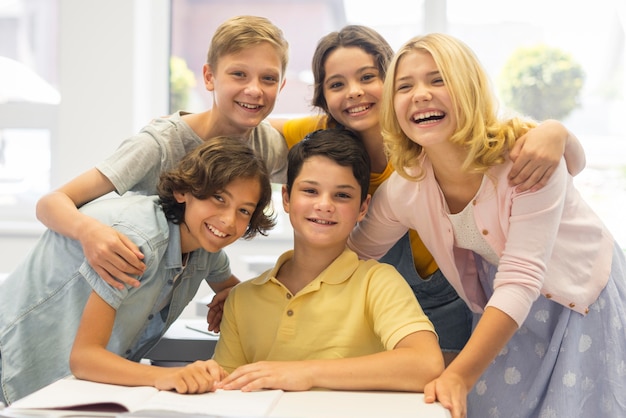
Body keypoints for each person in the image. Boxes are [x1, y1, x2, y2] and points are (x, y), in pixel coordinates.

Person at [269, 25, 586, 365]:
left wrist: (559, 132)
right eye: (336, 84)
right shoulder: (323, 135)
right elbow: (251, 127)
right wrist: (262, 292)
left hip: (452, 289)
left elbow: (552, 160)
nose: (354, 92)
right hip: (375, 291)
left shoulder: (434, 138)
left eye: (368, 77)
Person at [347, 33, 626, 418]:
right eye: (405, 86)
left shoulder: (524, 158)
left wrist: (458, 376)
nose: (421, 94)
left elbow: (523, 274)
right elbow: (355, 255)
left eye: (438, 79)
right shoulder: (406, 187)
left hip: (580, 295)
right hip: (506, 307)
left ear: (470, 87)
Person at [0, 136, 276, 405]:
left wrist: (234, 298)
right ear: (183, 192)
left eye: (244, 211)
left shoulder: (204, 248)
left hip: (64, 388)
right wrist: (170, 375)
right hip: (16, 370)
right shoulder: (138, 242)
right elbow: (84, 359)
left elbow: (233, 289)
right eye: (219, 198)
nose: (228, 221)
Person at [35, 15, 289, 292]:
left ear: (281, 86)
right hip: (92, 283)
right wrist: (90, 232)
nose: (254, 90)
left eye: (268, 79)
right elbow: (51, 203)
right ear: (209, 76)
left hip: (154, 298)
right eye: (239, 74)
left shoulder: (267, 145)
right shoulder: (160, 144)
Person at [212, 129, 444, 392]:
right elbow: (226, 393)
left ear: (363, 208)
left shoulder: (377, 282)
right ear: (287, 198)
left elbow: (426, 364)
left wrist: (305, 373)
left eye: (342, 195)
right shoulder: (242, 299)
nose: (324, 205)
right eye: (310, 191)